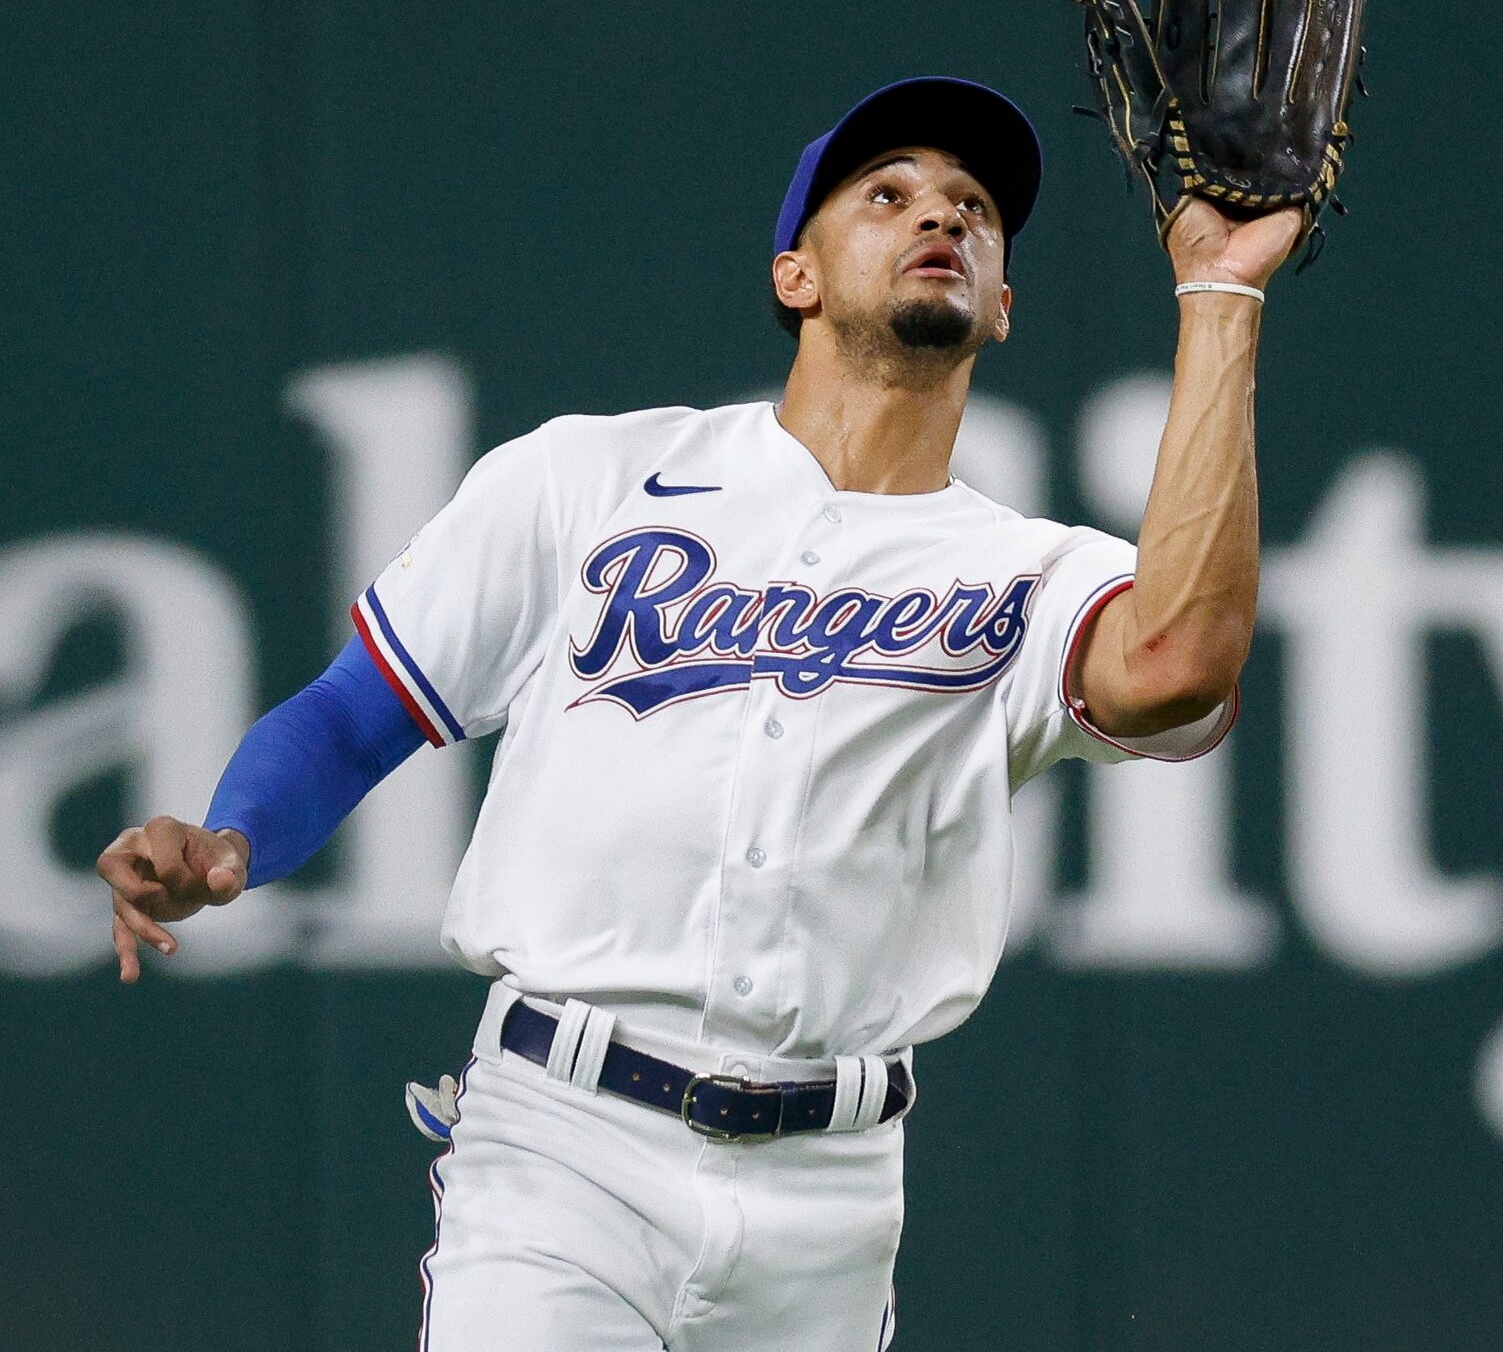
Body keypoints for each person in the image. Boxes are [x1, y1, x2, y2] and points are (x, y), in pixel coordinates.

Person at [98, 75, 1289, 1352]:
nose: (939, 215)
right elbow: (355, 713)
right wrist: (232, 841)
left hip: (830, 1198)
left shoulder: (1030, 571)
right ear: (797, 276)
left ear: (1002, 306)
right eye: (886, 196)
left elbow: (1178, 659)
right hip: (563, 1146)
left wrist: (1220, 301)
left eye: (974, 208)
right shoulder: (591, 479)